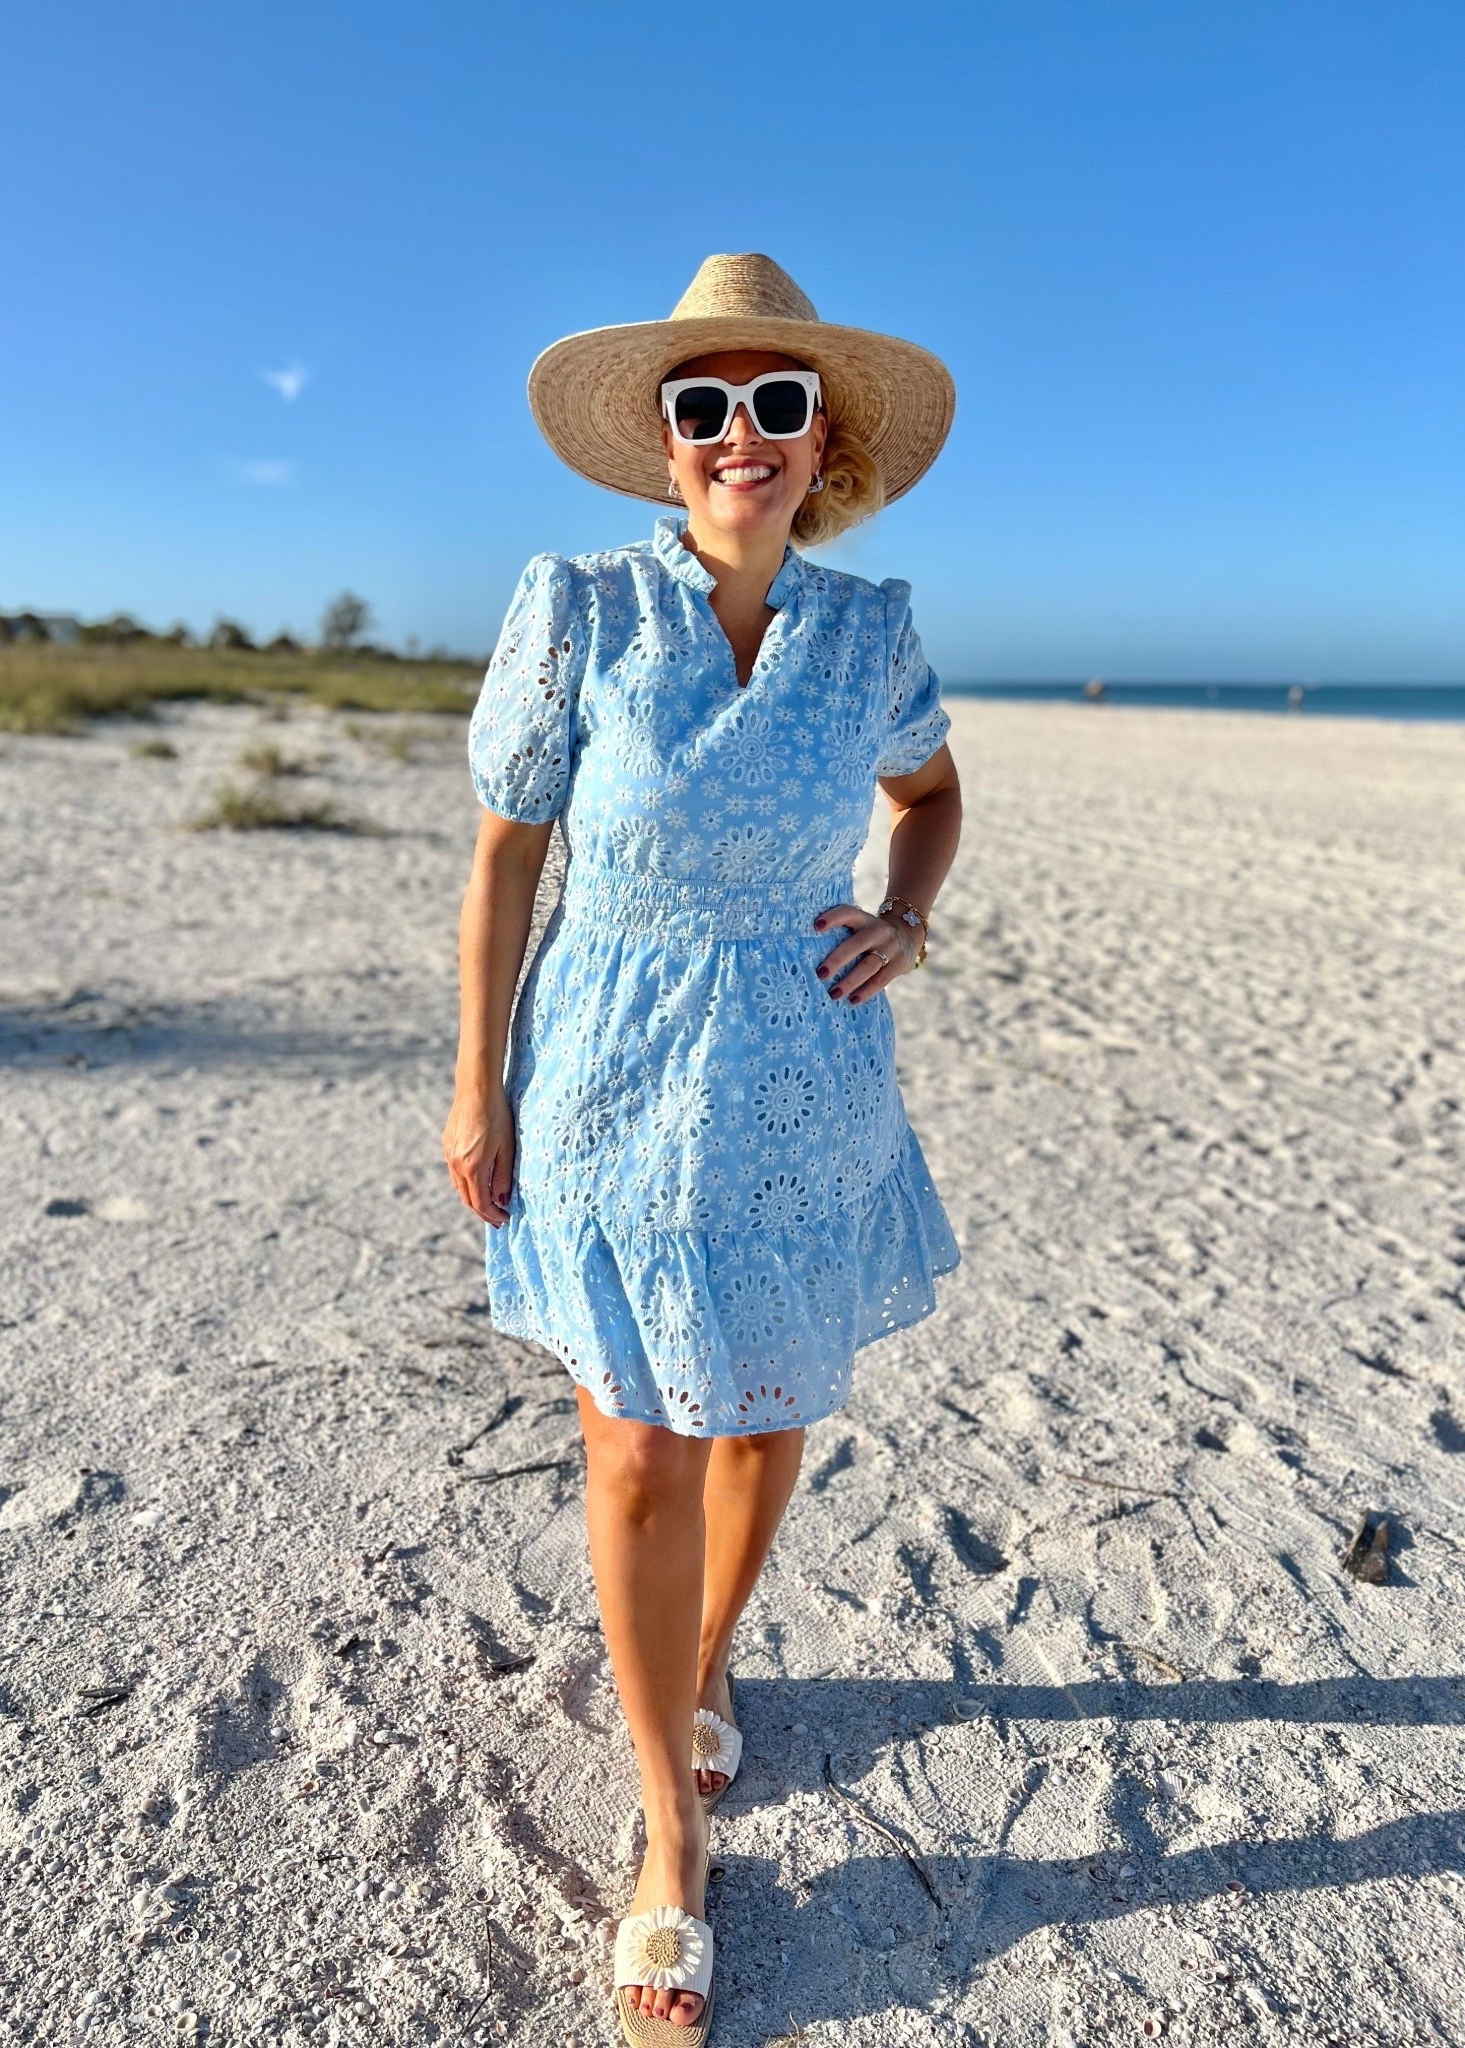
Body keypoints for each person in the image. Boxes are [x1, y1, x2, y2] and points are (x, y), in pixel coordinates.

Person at [444, 252, 963, 2044]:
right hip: (603, 1062)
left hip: (804, 1072)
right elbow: (510, 854)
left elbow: (934, 792)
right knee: (639, 1455)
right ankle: (670, 1831)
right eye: (703, 408)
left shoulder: (873, 630)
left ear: (825, 445)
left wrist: (908, 912)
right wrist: (477, 1083)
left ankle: (715, 1648)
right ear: (667, 446)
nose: (738, 436)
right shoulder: (577, 607)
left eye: (773, 405)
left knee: (761, 1417)